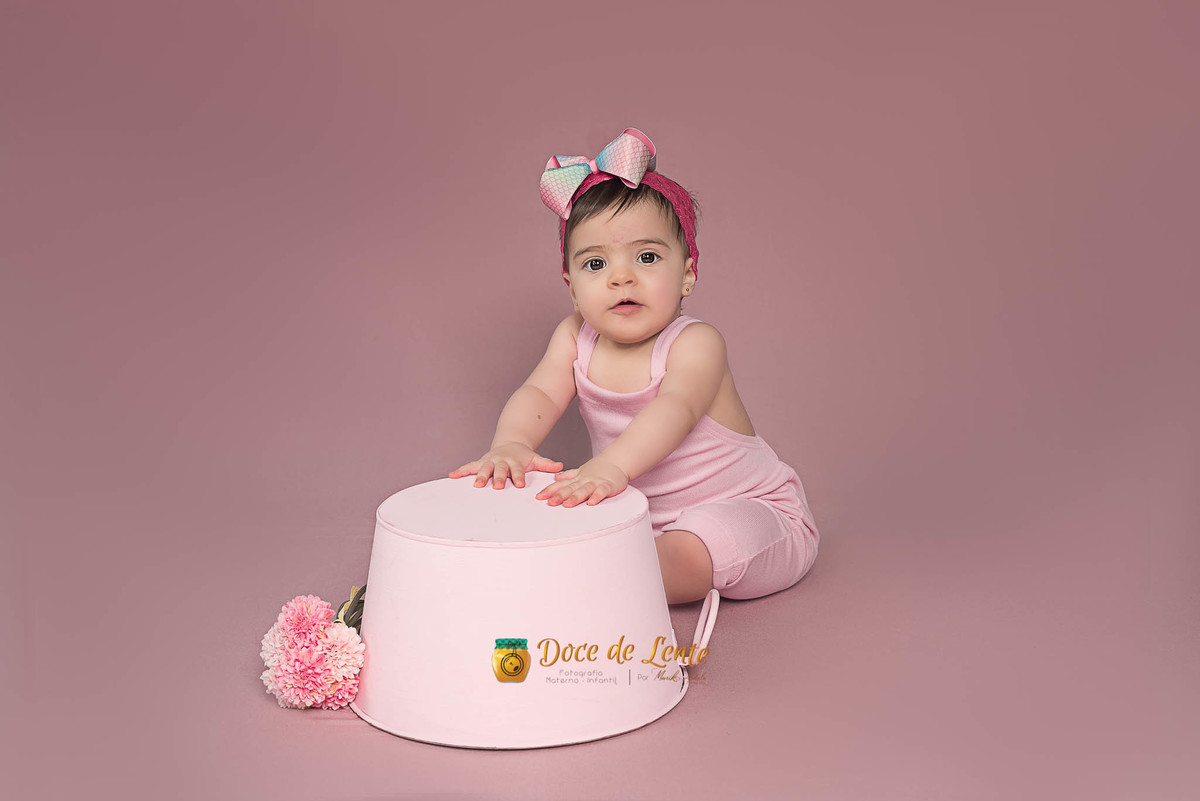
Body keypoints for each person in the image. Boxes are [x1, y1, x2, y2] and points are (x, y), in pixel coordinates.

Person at [450, 128, 819, 604]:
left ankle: (604, 585)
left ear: (687, 274)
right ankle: (598, 572)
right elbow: (538, 394)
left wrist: (611, 466)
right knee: (547, 509)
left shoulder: (695, 343)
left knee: (698, 542)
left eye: (646, 257)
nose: (621, 276)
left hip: (751, 512)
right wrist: (512, 444)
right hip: (634, 514)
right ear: (571, 287)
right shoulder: (574, 336)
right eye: (595, 265)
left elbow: (676, 407)